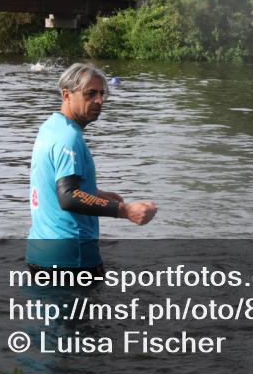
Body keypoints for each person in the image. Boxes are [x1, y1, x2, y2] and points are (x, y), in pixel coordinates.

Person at [27, 63, 158, 273]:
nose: (99, 101)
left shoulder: (50, 128)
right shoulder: (68, 139)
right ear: (67, 95)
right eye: (90, 94)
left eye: (101, 94)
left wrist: (96, 194)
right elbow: (69, 196)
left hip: (40, 254)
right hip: (71, 261)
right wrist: (125, 211)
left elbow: (52, 185)